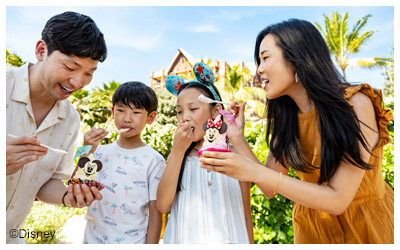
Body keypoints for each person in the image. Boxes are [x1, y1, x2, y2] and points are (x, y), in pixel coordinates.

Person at [199, 19, 394, 244]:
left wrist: (252, 171)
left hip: (368, 229)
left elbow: (339, 200)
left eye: (265, 58)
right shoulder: (288, 119)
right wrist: (237, 137)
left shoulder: (356, 103)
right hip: (312, 233)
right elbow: (270, 189)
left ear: (297, 58)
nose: (259, 69)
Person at [6, 11, 107, 243]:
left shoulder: (71, 119)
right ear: (42, 51)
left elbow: (45, 183)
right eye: (70, 68)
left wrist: (67, 197)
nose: (77, 82)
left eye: (89, 73)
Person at [157, 63, 254, 243]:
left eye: (193, 109)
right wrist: (177, 152)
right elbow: (163, 206)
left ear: (216, 110)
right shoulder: (178, 157)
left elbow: (246, 215)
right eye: (179, 111)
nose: (184, 117)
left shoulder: (235, 155)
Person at [81, 81, 166, 244]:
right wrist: (85, 150)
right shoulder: (99, 152)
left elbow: (156, 213)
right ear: (113, 112)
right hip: (92, 241)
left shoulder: (154, 161)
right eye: (121, 110)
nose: (127, 118)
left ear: (151, 118)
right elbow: (77, 183)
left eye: (136, 112)